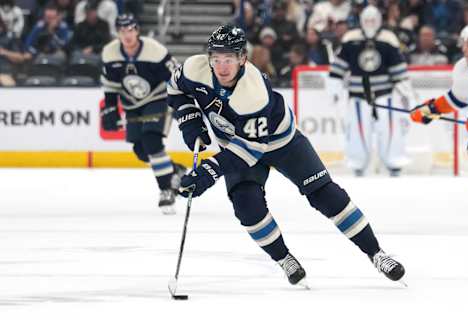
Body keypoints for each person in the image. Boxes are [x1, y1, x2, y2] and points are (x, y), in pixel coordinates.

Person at [167, 24, 405, 286]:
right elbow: (176, 89)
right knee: (247, 207)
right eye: (216, 59)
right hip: (236, 145)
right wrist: (190, 123)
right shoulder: (194, 68)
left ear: (243, 58)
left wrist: (207, 172)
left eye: (229, 59)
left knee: (326, 196)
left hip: (281, 143)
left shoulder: (253, 93)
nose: (222, 67)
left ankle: (377, 253)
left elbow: (248, 151)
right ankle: (284, 259)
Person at [100, 14, 185, 214]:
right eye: (122, 31)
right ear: (117, 33)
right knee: (140, 150)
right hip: (131, 105)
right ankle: (174, 170)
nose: (127, 35)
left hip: (158, 100)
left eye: (130, 30)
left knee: (151, 140)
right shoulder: (110, 53)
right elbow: (111, 85)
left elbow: (177, 77)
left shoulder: (155, 51)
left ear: (137, 30)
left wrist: (183, 103)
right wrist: (110, 108)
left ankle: (166, 190)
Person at [329, 5, 413, 177]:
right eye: (366, 20)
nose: (370, 23)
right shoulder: (350, 39)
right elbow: (338, 69)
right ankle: (358, 163)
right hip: (358, 96)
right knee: (358, 131)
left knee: (389, 129)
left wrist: (405, 92)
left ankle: (393, 162)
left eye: (373, 20)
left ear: (379, 21)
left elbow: (399, 70)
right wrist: (334, 88)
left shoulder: (388, 39)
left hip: (384, 94)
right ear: (361, 21)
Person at [410, 24, 468, 190]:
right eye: (464, 43)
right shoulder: (463, 70)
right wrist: (430, 110)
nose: (464, 49)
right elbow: (456, 99)